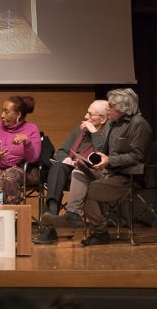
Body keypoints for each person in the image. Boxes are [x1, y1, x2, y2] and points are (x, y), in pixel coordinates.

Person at [41, 88, 152, 246]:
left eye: (111, 106)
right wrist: (88, 160)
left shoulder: (139, 125)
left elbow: (137, 157)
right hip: (108, 173)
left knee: (91, 189)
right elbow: (100, 149)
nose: (108, 108)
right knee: (79, 171)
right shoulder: (112, 124)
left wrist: (110, 160)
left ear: (123, 108)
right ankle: (73, 214)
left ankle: (100, 231)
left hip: (127, 176)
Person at [33, 100, 109, 245]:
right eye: (87, 112)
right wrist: (66, 158)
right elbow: (61, 151)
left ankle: (47, 228)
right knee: (57, 167)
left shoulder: (107, 133)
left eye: (90, 114)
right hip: (70, 173)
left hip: (90, 173)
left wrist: (94, 132)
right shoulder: (80, 131)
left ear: (104, 118)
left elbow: (102, 153)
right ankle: (51, 215)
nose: (86, 117)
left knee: (65, 171)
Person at [0, 95, 42, 204]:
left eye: (6, 112)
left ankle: (10, 215)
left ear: (18, 114)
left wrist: (27, 142)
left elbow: (33, 158)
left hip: (20, 168)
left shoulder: (31, 129)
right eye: (2, 111)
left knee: (7, 179)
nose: (2, 115)